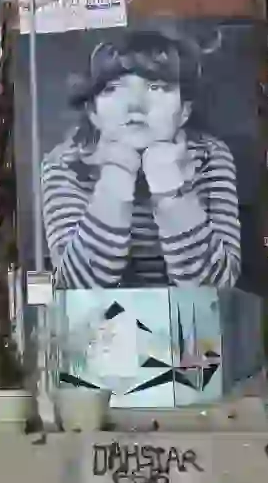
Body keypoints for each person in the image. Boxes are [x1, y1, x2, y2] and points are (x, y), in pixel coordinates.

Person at [40, 29, 241, 289]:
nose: (135, 104)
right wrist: (115, 180)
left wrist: (171, 191)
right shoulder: (65, 163)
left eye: (156, 87)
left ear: (184, 110)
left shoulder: (210, 156)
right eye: (113, 88)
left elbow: (217, 288)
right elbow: (79, 287)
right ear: (93, 112)